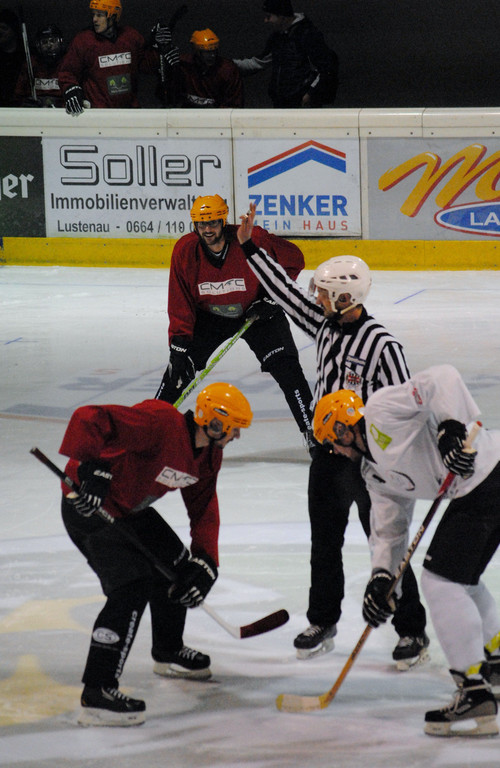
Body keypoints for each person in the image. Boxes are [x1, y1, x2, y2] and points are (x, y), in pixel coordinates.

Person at [236, 202, 428, 667]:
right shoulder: (323, 326)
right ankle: (322, 620)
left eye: (324, 293)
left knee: (386, 546)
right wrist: (249, 248)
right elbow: (284, 294)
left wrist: (392, 459)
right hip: (326, 455)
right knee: (324, 543)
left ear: (346, 297)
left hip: (370, 461)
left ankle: (412, 630)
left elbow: (407, 407)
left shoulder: (382, 345)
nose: (317, 298)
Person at [313, 366, 500, 737]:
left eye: (331, 441)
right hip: (480, 488)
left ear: (342, 428)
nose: (334, 451)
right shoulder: (374, 475)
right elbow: (389, 532)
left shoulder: (380, 409)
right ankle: (495, 659)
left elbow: (442, 378)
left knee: (441, 582)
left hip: (487, 473)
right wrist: (382, 579)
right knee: (460, 581)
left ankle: (473, 689)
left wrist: (450, 430)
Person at [59, 382, 253, 726]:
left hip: (129, 510)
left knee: (178, 567)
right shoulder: (161, 423)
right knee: (130, 586)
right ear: (215, 422)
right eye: (234, 427)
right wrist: (93, 467)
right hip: (88, 508)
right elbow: (89, 417)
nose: (236, 436)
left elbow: (204, 506)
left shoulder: (208, 455)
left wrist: (206, 560)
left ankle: (168, 650)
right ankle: (98, 691)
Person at [155, 194, 314, 447]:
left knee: (287, 369)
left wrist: (271, 299)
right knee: (178, 372)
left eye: (212, 223)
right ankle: (149, 427)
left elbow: (295, 260)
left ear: (223, 221)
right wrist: (179, 345)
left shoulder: (252, 238)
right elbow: (179, 300)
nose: (207, 230)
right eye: (201, 224)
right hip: (210, 319)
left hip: (258, 314)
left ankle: (313, 434)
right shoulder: (185, 250)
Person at [58, 0, 168, 114]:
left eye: (100, 15)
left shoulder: (131, 37)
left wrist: (157, 47)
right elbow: (67, 72)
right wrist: (70, 89)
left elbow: (148, 66)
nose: (94, 19)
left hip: (130, 112)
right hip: (99, 114)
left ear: (113, 16)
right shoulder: (83, 41)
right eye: (93, 14)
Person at [234, 0, 338, 108]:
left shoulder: (308, 35)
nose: (265, 20)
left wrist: (310, 94)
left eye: (269, 16)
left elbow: (327, 68)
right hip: (282, 103)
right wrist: (228, 64)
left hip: (302, 106)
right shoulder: (278, 38)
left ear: (282, 17)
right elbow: (258, 62)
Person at [169, 28, 244, 108]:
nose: (212, 55)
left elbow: (233, 104)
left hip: (218, 114)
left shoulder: (227, 70)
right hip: (188, 113)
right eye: (207, 52)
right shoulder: (183, 65)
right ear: (196, 51)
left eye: (214, 51)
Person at [14, 24, 66, 107]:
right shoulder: (31, 64)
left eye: (53, 41)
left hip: (61, 109)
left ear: (60, 42)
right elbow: (18, 94)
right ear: (38, 45)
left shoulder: (67, 62)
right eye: (44, 42)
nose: (49, 45)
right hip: (35, 109)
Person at [0, 8, 24, 107]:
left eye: (4, 28)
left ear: (14, 31)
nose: (0, 32)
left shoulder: (25, 55)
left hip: (19, 107)